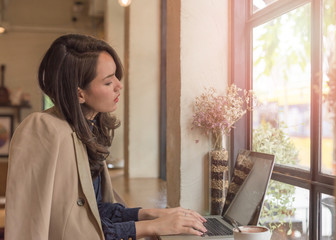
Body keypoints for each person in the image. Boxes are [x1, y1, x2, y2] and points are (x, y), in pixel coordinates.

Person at [5, 34, 207, 240]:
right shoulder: (41, 128)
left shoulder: (88, 128)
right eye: (108, 81)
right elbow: (36, 225)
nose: (119, 85)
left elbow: (95, 212)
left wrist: (150, 214)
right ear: (79, 94)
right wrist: (152, 226)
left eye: (116, 76)